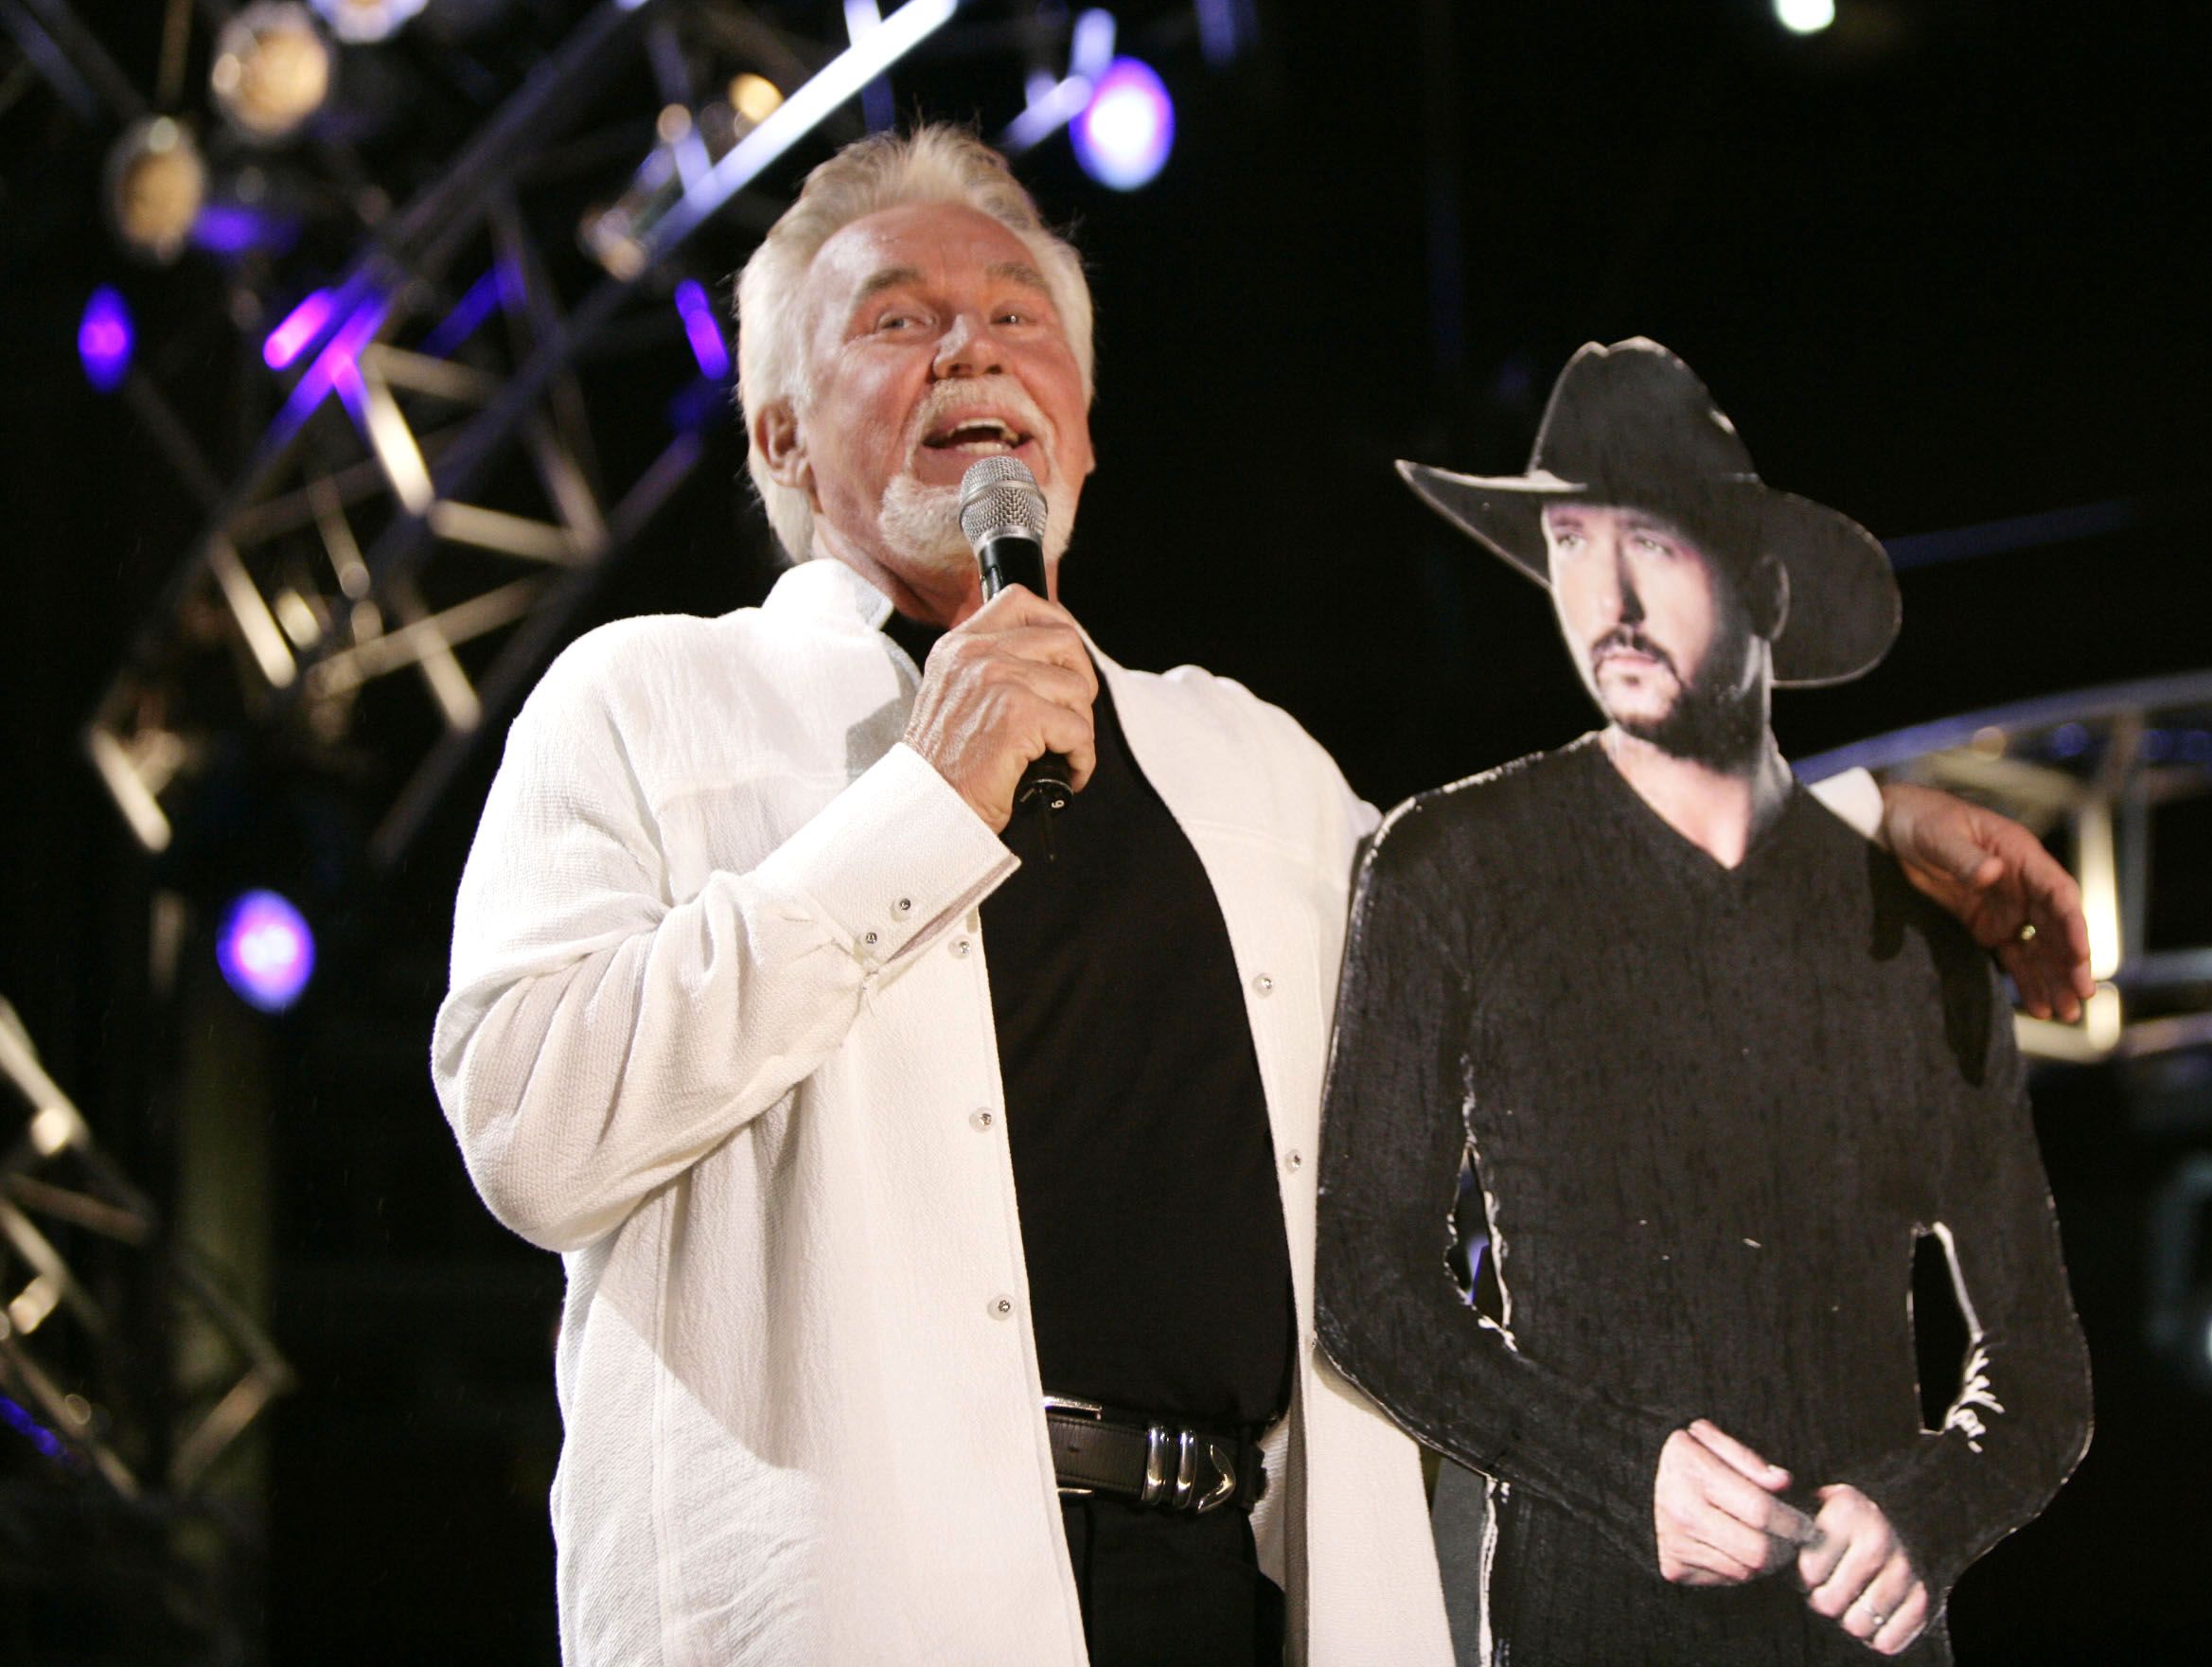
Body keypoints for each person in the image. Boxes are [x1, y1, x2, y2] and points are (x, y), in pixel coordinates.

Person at [432, 129, 2089, 1665]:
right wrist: (925, 807)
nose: (970, 350)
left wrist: (1862, 831)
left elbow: (1566, 948)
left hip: (1240, 1589)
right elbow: (531, 1122)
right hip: (863, 1599)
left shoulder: (1248, 761)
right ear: (780, 434)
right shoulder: (652, 702)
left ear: (1082, 425)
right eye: (898, 319)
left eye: (1017, 318)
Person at [1317, 340, 2095, 1664]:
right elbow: (1366, 1285)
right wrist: (1619, 1471)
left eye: (1656, 546)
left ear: (1765, 586)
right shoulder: (1453, 865)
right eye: (1571, 542)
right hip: (1585, 1626)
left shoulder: (1913, 930)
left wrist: (1926, 1510)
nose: (1608, 597)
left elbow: (2041, 1374)